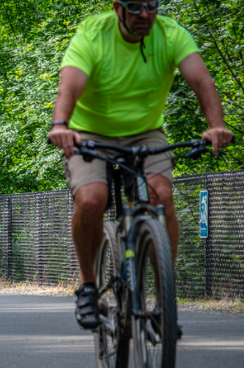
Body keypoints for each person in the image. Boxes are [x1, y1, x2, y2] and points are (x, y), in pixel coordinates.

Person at [47, 0, 233, 329]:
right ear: (118, 8)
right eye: (135, 6)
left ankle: (164, 304)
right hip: (89, 132)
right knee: (92, 199)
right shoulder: (93, 33)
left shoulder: (171, 34)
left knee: (161, 196)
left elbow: (202, 81)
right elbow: (70, 84)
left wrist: (216, 124)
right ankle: (89, 287)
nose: (145, 14)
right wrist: (61, 125)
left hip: (145, 133)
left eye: (151, 5)